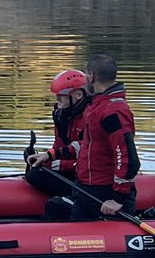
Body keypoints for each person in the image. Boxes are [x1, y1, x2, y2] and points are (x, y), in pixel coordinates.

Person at [69, 53, 140, 217]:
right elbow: (89, 145)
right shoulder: (96, 105)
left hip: (105, 192)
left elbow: (127, 156)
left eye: (86, 74)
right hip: (87, 188)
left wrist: (118, 198)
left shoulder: (112, 111)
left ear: (91, 76)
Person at [25, 68, 90, 219]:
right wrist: (43, 157)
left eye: (61, 96)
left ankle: (75, 200)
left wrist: (53, 162)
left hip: (86, 174)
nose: (57, 100)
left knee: (39, 175)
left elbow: (87, 153)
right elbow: (58, 147)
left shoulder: (91, 116)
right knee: (34, 174)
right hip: (73, 168)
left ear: (78, 95)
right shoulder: (62, 115)